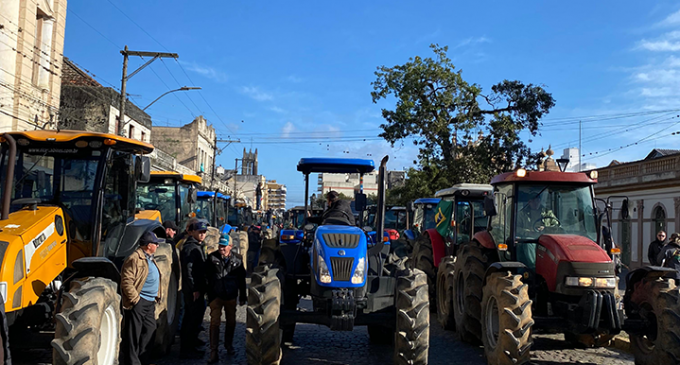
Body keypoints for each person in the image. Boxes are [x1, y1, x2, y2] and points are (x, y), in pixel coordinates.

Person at [120, 231, 164, 365]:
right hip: (139, 301)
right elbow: (126, 281)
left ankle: (143, 359)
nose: (157, 246)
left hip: (150, 302)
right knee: (133, 334)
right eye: (155, 244)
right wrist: (135, 299)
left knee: (150, 330)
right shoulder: (134, 258)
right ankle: (133, 362)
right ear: (149, 245)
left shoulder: (150, 257)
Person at [206, 235, 247, 363]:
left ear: (230, 246)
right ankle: (214, 351)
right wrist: (209, 295)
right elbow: (206, 277)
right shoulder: (212, 258)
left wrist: (243, 296)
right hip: (216, 296)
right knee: (215, 322)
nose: (221, 248)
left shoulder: (238, 260)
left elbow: (242, 280)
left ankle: (228, 345)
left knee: (231, 321)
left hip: (231, 295)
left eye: (224, 246)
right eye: (220, 245)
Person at [180, 221, 209, 359]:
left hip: (198, 287)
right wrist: (194, 289)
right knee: (191, 318)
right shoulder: (190, 248)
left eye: (204, 232)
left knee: (195, 317)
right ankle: (187, 348)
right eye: (200, 232)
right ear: (193, 232)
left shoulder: (197, 245)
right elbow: (188, 271)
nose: (202, 235)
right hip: (193, 289)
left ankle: (192, 342)